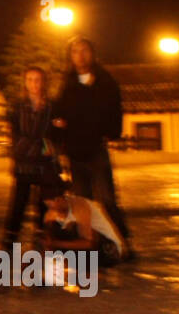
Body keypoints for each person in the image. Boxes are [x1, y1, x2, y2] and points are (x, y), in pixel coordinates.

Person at [52, 37, 134, 257]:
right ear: (71, 56)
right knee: (83, 202)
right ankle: (91, 246)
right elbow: (58, 112)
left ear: (93, 53)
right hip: (75, 152)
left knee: (107, 199)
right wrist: (58, 128)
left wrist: (111, 132)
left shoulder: (104, 81)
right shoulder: (67, 84)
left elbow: (116, 109)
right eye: (75, 51)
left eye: (84, 50)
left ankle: (124, 242)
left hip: (97, 149)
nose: (80, 55)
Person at [3, 66, 58, 247]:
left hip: (44, 165)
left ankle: (40, 240)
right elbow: (16, 137)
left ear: (43, 83)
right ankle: (9, 242)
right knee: (19, 203)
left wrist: (40, 145)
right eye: (30, 79)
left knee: (43, 204)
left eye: (38, 79)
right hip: (24, 163)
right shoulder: (18, 107)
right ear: (25, 83)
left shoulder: (51, 107)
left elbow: (52, 137)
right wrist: (37, 145)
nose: (34, 84)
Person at [42, 176, 124, 262]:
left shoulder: (80, 206)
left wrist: (56, 243)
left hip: (108, 249)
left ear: (60, 199)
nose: (51, 208)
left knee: (71, 227)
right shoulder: (50, 214)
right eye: (47, 205)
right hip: (83, 252)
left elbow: (89, 243)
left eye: (51, 203)